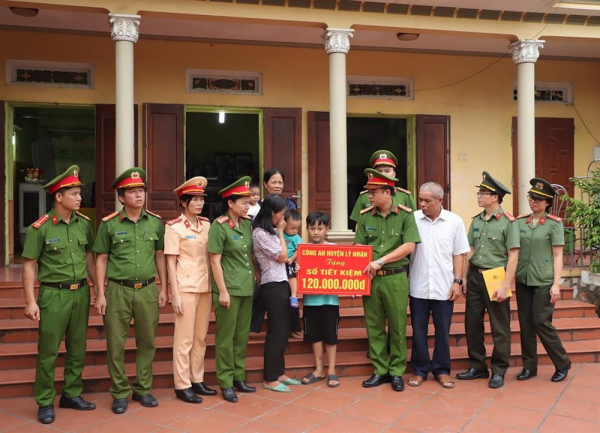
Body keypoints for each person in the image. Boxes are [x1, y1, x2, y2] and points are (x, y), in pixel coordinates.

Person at [22, 165, 97, 424]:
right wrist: (31, 300)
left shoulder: (84, 225)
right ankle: (44, 401)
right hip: (53, 295)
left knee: (78, 348)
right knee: (49, 351)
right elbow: (29, 265)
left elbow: (89, 256)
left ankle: (71, 394)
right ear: (58, 197)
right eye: (74, 193)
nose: (79, 198)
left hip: (81, 292)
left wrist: (97, 288)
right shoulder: (40, 228)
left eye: (79, 193)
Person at [93, 167, 168, 414]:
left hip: (147, 289)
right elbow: (101, 258)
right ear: (121, 197)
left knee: (147, 342)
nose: (138, 195)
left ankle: (143, 388)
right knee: (116, 344)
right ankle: (120, 392)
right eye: (132, 191)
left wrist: (163, 287)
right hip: (117, 290)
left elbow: (159, 256)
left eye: (141, 190)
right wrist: (100, 293)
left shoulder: (156, 223)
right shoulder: (109, 224)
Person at [354, 169, 421, 391]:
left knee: (397, 326)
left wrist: (380, 261)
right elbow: (359, 248)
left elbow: (409, 246)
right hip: (371, 279)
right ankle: (380, 369)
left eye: (373, 192)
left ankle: (396, 371)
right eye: (369, 192)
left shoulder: (405, 214)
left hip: (395, 278)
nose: (369, 196)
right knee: (374, 326)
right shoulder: (365, 215)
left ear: (387, 192)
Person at [456, 171, 520, 389]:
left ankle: (499, 370)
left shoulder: (508, 222)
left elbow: (513, 255)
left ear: (495, 197)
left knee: (499, 327)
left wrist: (505, 285)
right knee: (472, 323)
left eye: (483, 193)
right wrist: (464, 277)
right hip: (474, 276)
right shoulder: (475, 221)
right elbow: (470, 250)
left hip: (495, 277)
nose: (479, 196)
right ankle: (477, 366)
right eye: (479, 192)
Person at [407, 182, 470, 389]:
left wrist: (457, 281)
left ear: (440, 200)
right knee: (418, 330)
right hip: (418, 285)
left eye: (428, 200)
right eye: (420, 199)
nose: (422, 204)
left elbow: (459, 253)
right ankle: (419, 370)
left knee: (442, 331)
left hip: (444, 287)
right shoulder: (412, 219)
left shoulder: (454, 222)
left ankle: (442, 370)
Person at [165, 177, 217, 404]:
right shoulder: (174, 227)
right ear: (184, 202)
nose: (199, 203)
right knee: (184, 339)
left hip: (205, 287)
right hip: (185, 287)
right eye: (194, 199)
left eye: (201, 199)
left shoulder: (207, 225)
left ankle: (197, 379)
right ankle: (182, 384)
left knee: (200, 338)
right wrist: (173, 294)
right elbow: (170, 263)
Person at [515, 178, 571, 382]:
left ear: (547, 202)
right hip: (523, 279)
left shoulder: (554, 224)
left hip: (544, 280)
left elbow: (558, 255)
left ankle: (562, 362)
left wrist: (556, 284)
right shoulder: (521, 222)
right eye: (531, 198)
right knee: (526, 324)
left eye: (538, 199)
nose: (533, 202)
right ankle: (529, 367)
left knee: (541, 322)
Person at [208, 176, 256, 403]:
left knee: (241, 335)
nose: (248, 205)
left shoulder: (247, 224)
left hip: (246, 288)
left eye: (249, 202)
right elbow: (215, 261)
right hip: (229, 289)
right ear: (230, 203)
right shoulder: (219, 227)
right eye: (244, 202)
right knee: (226, 338)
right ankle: (226, 382)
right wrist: (223, 291)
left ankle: (239, 376)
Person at [252, 194, 301, 393]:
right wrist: (281, 232)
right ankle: (270, 378)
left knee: (284, 331)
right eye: (280, 214)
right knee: (275, 332)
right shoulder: (260, 233)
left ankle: (279, 372)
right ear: (271, 213)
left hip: (282, 282)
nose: (282, 219)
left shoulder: (270, 231)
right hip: (272, 285)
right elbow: (282, 256)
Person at [251, 168, 302, 336]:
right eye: (274, 182)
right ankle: (253, 327)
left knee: (289, 291)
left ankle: (293, 327)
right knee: (262, 293)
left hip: (284, 251)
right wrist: (255, 269)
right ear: (265, 184)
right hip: (265, 255)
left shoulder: (289, 205)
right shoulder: (258, 207)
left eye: (280, 182)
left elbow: (292, 228)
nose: (278, 185)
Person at [300, 212, 341, 388]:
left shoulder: (335, 248)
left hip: (331, 301)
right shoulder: (303, 250)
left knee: (331, 335)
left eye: (320, 228)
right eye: (312, 228)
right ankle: (319, 369)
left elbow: (345, 270)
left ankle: (332, 369)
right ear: (307, 229)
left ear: (327, 230)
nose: (316, 232)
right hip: (310, 301)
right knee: (314, 334)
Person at [350, 150, 416, 224]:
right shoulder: (364, 196)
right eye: (379, 171)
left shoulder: (405, 196)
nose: (383, 174)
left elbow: (413, 221)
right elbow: (359, 225)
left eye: (387, 171)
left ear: (394, 174)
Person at [283, 209, 302, 336]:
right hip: (279, 263)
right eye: (292, 228)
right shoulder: (280, 234)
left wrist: (291, 259)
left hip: (290, 262)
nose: (295, 231)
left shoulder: (296, 237)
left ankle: (294, 295)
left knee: (291, 275)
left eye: (297, 228)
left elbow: (299, 250)